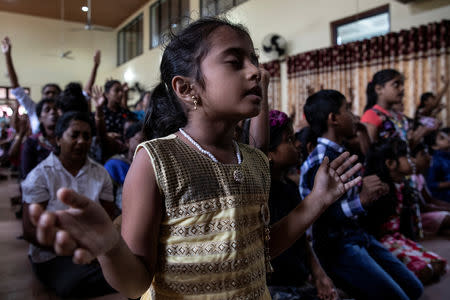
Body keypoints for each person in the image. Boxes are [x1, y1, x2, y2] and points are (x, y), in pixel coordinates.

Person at [28, 18, 361, 299]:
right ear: (187, 89)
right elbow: (136, 282)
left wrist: (316, 201)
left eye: (254, 60)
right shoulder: (156, 161)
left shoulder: (256, 163)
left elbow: (260, 249)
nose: (255, 71)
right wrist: (110, 248)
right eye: (235, 61)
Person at [300, 90, 423, 300]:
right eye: (346, 109)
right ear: (333, 119)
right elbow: (319, 215)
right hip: (337, 245)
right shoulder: (321, 160)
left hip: (356, 234)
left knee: (414, 288)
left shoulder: (341, 150)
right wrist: (361, 200)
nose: (353, 115)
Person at [21, 111, 117, 298]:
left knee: (127, 267)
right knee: (72, 285)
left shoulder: (100, 173)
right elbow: (29, 230)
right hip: (53, 254)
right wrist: (73, 247)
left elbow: (108, 217)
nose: (81, 141)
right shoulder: (40, 175)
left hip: (94, 249)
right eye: (74, 135)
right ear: (58, 139)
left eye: (86, 136)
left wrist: (95, 248)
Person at [267, 110, 339, 300]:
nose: (297, 143)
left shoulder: (289, 186)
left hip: (298, 279)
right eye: (289, 140)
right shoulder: (263, 194)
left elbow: (300, 238)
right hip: (275, 287)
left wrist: (319, 274)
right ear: (269, 153)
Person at [364, 137, 446, 284]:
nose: (412, 161)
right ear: (390, 163)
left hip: (397, 239)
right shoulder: (377, 191)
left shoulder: (400, 186)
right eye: (407, 156)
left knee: (438, 265)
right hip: (381, 244)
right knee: (425, 271)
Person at [1, 37, 61, 134]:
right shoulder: (33, 109)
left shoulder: (64, 111)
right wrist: (7, 55)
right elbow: (16, 88)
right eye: (47, 93)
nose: (50, 95)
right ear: (42, 96)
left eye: (54, 93)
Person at [411, 142, 450, 236]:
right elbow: (424, 207)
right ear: (412, 159)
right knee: (447, 217)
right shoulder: (411, 179)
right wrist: (447, 208)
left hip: (426, 213)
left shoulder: (419, 176)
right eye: (423, 154)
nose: (429, 157)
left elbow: (430, 200)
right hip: (417, 217)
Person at [425, 127, 450, 202]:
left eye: (447, 136)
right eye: (442, 138)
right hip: (444, 197)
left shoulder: (447, 156)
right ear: (434, 146)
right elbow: (431, 184)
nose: (448, 139)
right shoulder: (435, 161)